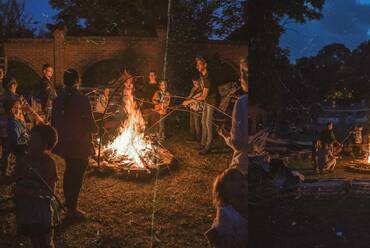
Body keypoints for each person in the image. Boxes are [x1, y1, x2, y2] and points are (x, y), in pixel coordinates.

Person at [51, 69, 97, 219]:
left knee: (70, 170)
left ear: (65, 82)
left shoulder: (58, 99)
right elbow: (90, 122)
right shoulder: (82, 99)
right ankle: (72, 208)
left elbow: (54, 122)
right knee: (77, 174)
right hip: (80, 143)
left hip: (65, 143)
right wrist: (96, 129)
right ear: (78, 81)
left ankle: (69, 202)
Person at [14, 124, 58, 248]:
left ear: (44, 144)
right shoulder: (25, 159)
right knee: (30, 238)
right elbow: (15, 177)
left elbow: (50, 192)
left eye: (34, 140)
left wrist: (27, 192)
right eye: (30, 138)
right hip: (25, 208)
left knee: (44, 240)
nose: (29, 142)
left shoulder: (48, 163)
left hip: (41, 210)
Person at [218, 57, 248, 174]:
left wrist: (225, 135)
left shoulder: (242, 102)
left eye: (245, 73)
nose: (241, 78)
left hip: (242, 168)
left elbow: (238, 144)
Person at [183, 57, 219, 155]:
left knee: (208, 123)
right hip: (207, 101)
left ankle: (208, 146)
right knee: (203, 121)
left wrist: (189, 101)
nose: (197, 66)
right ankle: (202, 144)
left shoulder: (208, 78)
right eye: (197, 64)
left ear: (205, 65)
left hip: (212, 101)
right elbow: (201, 91)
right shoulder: (202, 76)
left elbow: (203, 96)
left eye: (199, 64)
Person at [205, 168, 248, 247]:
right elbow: (225, 240)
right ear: (225, 192)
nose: (240, 180)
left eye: (242, 177)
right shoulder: (225, 213)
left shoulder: (247, 204)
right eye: (232, 178)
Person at [0, 76, 19, 175]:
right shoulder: (14, 98)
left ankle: (5, 170)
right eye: (15, 87)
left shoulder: (1, 97)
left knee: (5, 151)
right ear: (12, 85)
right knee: (12, 152)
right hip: (11, 129)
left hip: (2, 129)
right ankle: (6, 172)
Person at [187, 77, 203, 142]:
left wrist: (189, 101)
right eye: (193, 83)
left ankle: (199, 138)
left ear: (199, 82)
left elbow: (195, 98)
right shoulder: (193, 89)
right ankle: (193, 136)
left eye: (196, 83)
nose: (195, 84)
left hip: (197, 109)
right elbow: (190, 96)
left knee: (197, 124)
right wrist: (186, 101)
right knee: (192, 123)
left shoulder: (202, 90)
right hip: (192, 107)